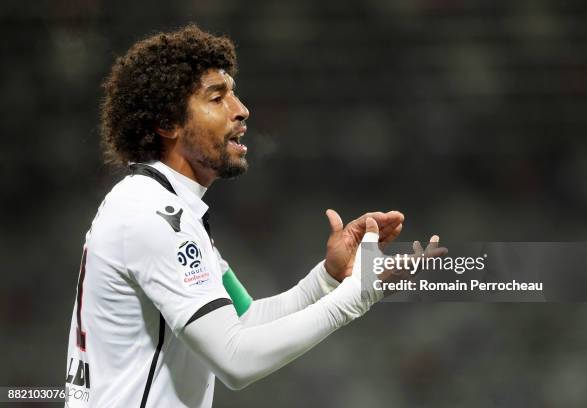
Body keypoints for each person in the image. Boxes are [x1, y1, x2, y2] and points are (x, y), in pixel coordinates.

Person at [64, 24, 445, 407]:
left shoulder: (166, 207)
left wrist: (328, 278)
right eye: (217, 98)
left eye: (234, 94)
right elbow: (235, 360)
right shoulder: (153, 215)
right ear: (168, 124)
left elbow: (244, 321)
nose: (241, 109)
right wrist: (355, 296)